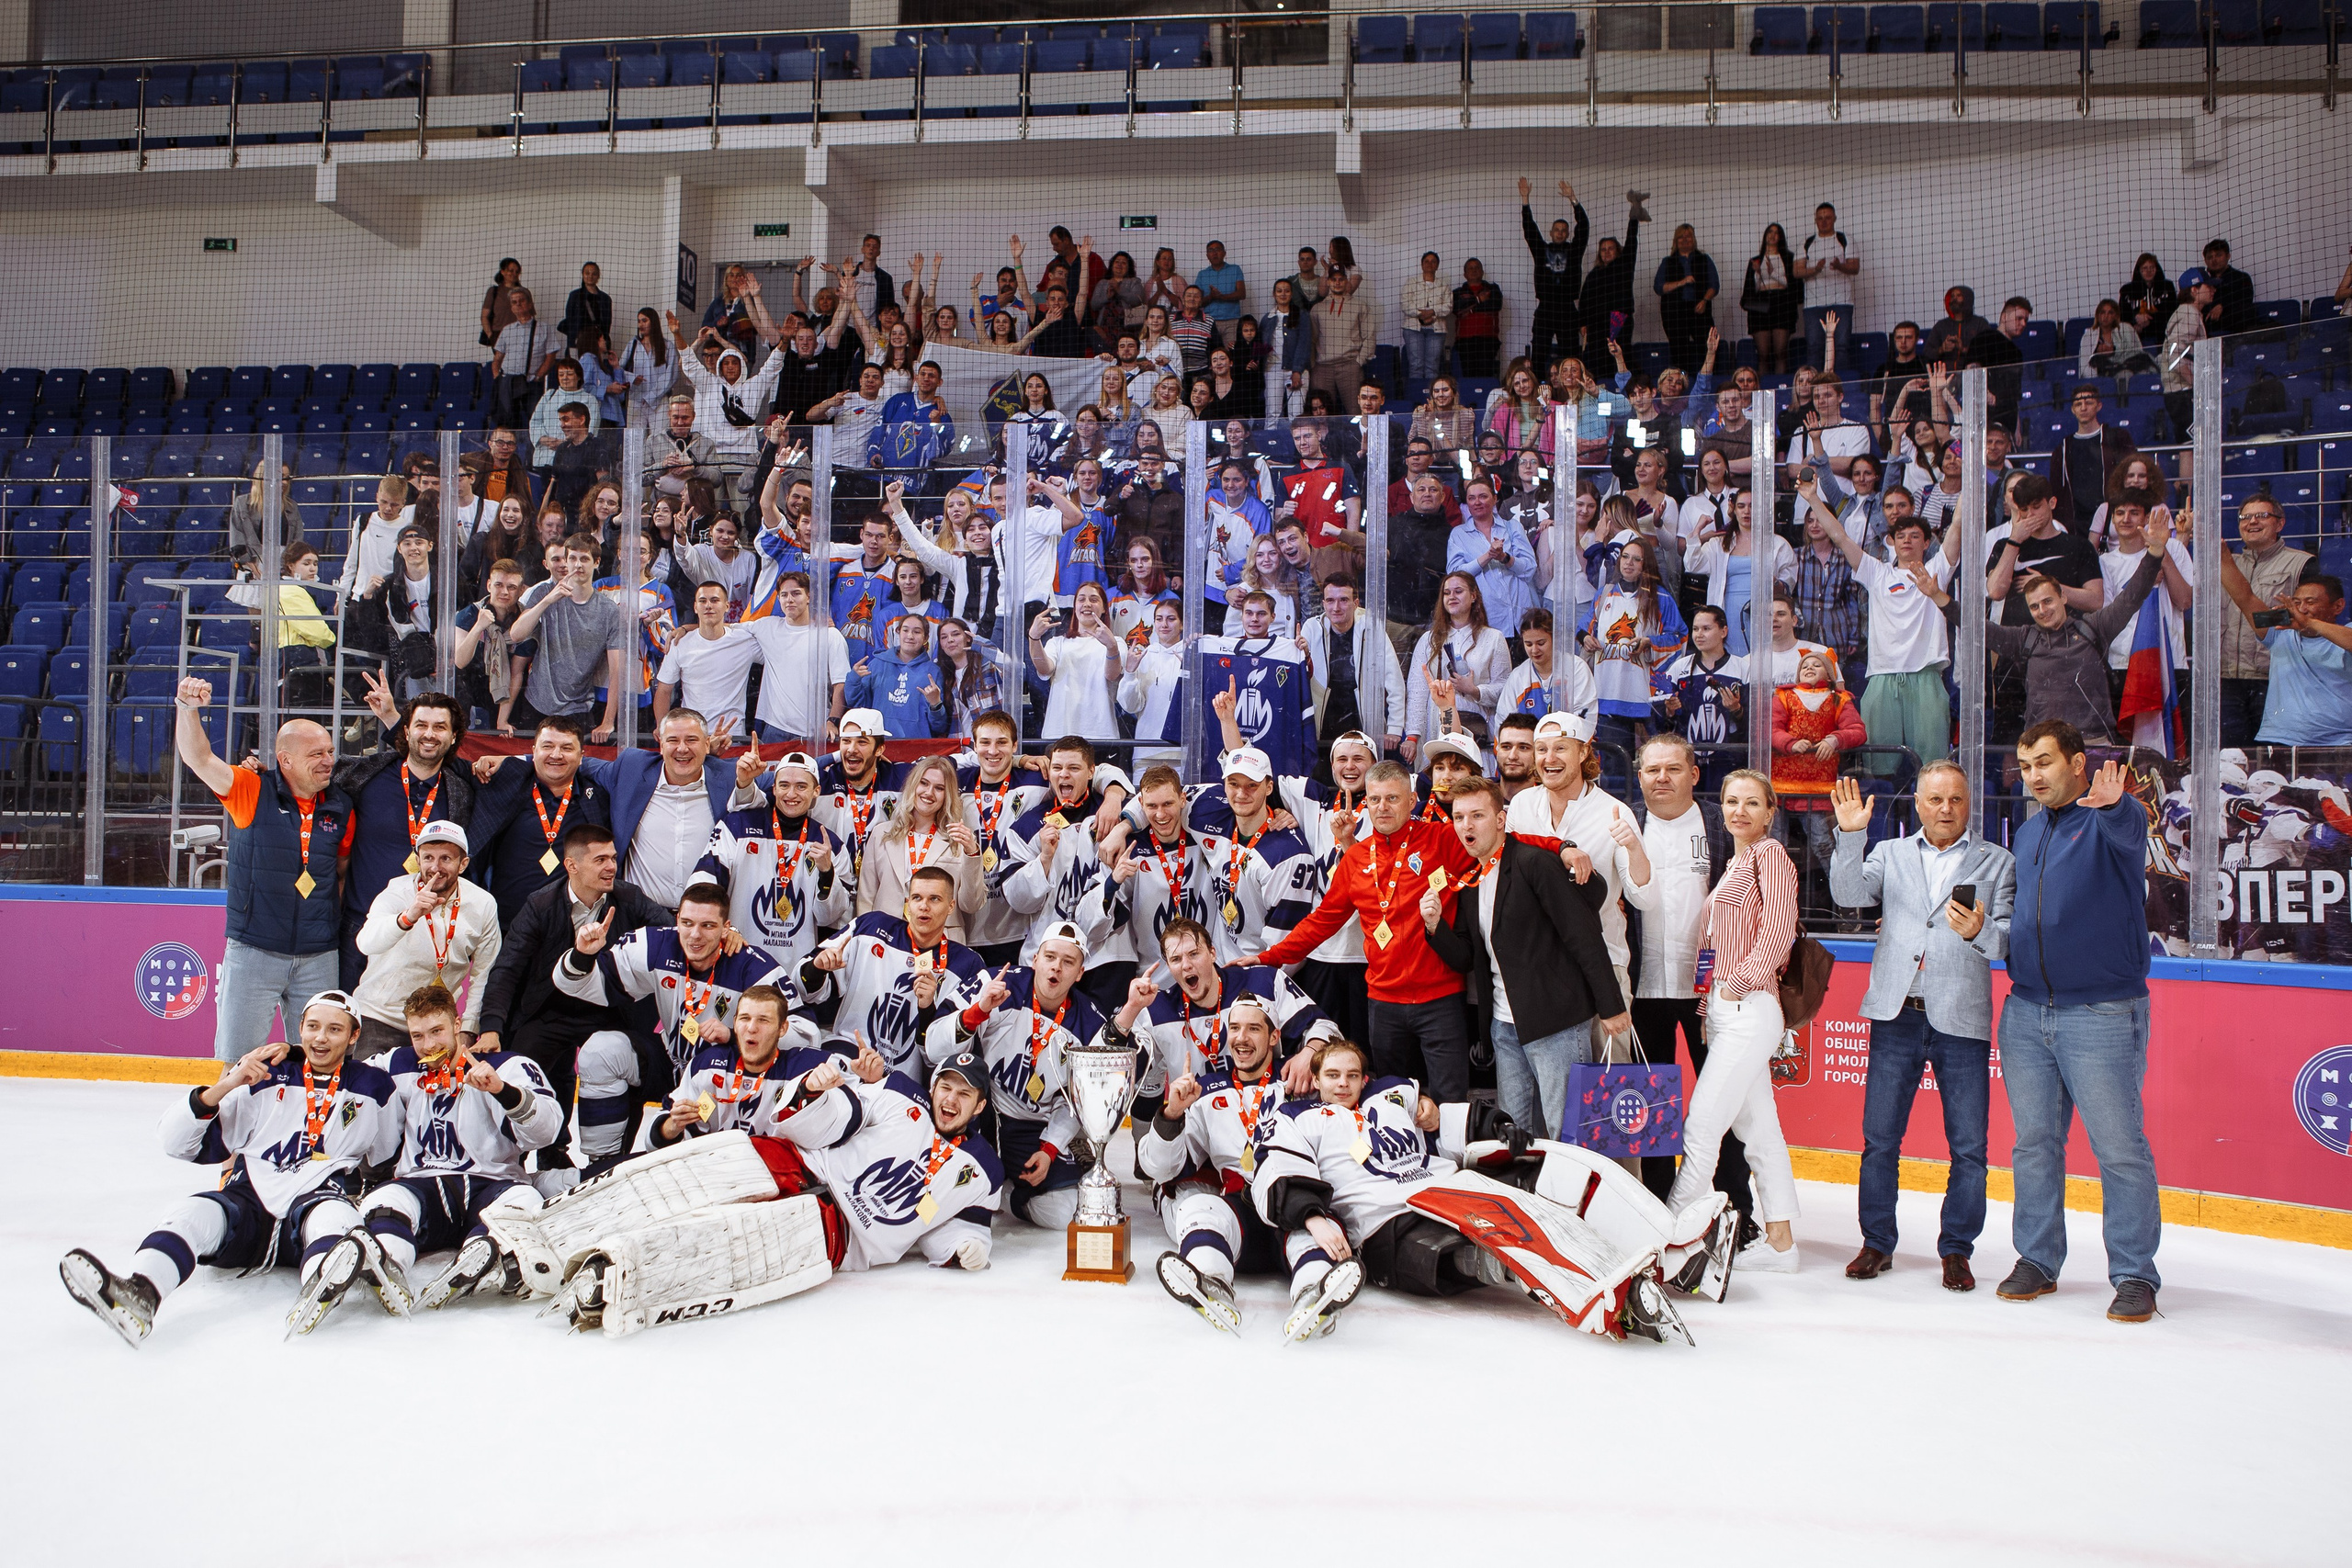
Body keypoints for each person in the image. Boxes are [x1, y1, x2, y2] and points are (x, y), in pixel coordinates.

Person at [58, 990, 402, 1345]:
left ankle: (319, 1287)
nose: (321, 1038)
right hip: (247, 1206)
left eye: (335, 1029)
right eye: (313, 1027)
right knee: (190, 1212)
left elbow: (386, 1152)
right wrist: (228, 1082)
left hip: (316, 1204)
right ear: (299, 1027)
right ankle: (139, 1294)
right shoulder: (265, 1075)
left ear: (354, 1035)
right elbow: (175, 1142)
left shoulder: (373, 1085)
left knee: (335, 1218)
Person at [1826, 767, 2015, 1289]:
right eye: (1935, 799)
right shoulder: (1890, 853)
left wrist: (1981, 930)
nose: (1946, 808)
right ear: (1918, 803)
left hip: (1961, 1018)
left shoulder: (1998, 861)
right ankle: (1876, 1243)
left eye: (1956, 798)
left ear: (1969, 802)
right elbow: (1848, 894)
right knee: (1880, 1140)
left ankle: (1956, 1251)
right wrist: (1851, 836)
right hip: (1897, 1015)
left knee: (1969, 1147)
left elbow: (2006, 940)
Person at [1997, 724, 2161, 1323]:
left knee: (2119, 1148)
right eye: (2025, 765)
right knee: (2033, 1145)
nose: (2034, 775)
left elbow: (2130, 832)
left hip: (2101, 1012)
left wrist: (2116, 806)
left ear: (2077, 762)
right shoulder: (2030, 830)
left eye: (2044, 762)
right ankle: (2037, 1258)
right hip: (2026, 1010)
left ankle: (2135, 1273)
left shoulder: (2113, 818)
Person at [1249, 761, 1479, 1101]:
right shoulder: (1356, 857)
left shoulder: (1442, 839)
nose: (1382, 807)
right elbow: (1322, 921)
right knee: (1391, 1100)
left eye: (1392, 799)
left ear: (1412, 801)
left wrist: (1557, 848)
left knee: (1451, 1102)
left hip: (1440, 1000)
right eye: (1375, 799)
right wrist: (1266, 958)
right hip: (1384, 1003)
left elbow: (1499, 845)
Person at [1425, 774, 1624, 1142]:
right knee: (1516, 1134)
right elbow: (1467, 958)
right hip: (1504, 1025)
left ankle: (1576, 1184)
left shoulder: (1535, 863)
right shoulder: (1471, 881)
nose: (1466, 826)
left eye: (1477, 816)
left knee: (1568, 1133)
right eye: (1459, 817)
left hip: (1556, 1021)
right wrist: (1435, 927)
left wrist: (1611, 1006)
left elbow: (1583, 936)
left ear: (1501, 819)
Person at [470, 822, 668, 1177]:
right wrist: (491, 1028)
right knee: (519, 1063)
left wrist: (725, 931)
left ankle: (611, 1161)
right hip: (551, 1009)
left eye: (613, 858)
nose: (611, 866)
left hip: (610, 1011)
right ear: (572, 866)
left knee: (624, 1063)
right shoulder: (540, 904)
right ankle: (526, 1158)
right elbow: (507, 969)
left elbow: (673, 932)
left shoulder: (629, 897)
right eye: (600, 860)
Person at [553, 883, 793, 1168]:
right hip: (671, 1061)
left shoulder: (754, 968)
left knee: (695, 1159)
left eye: (707, 925)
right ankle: (602, 1164)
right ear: (677, 919)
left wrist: (734, 1036)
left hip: (723, 1077)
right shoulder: (658, 945)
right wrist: (583, 954)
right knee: (601, 1050)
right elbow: (578, 985)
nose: (695, 935)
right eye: (687, 923)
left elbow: (804, 1032)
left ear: (726, 928)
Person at [356, 980, 565, 1311]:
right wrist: (293, 1055)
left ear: (457, 1025)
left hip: (491, 1184)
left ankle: (480, 1254)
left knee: (525, 1200)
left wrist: (502, 1090)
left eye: (436, 1031)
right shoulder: (398, 1064)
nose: (428, 1045)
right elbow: (344, 1075)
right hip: (423, 1186)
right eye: (417, 1035)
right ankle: (388, 1263)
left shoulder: (506, 1066)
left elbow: (548, 1129)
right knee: (383, 1200)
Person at [1250, 1037, 1475, 1342]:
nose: (1343, 1083)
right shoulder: (1298, 1118)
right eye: (1333, 1075)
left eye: (1352, 1075)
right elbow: (1279, 1166)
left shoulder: (1391, 1097)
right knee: (1450, 1256)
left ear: (1363, 1079)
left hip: (1444, 1193)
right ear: (1315, 1080)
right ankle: (1312, 1291)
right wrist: (1312, 1217)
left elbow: (1440, 1126)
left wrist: (1453, 1116)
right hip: (1385, 1221)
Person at [1668, 769, 1802, 1273]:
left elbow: (1779, 931)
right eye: (1731, 801)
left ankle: (1667, 1234)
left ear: (1770, 812)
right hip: (1727, 1011)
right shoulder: (1735, 863)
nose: (1739, 811)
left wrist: (1736, 985)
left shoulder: (1771, 856)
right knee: (1759, 1132)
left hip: (1749, 1007)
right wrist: (1709, 1007)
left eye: (1752, 802)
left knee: (1703, 1127)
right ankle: (1782, 1244)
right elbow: (1712, 947)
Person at [922, 921, 1107, 1234]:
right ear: (1034, 959)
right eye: (1050, 957)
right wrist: (978, 1011)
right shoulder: (995, 982)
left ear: (1080, 973)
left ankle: (1004, 1194)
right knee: (946, 1190)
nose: (1056, 967)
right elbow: (934, 1048)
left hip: (1029, 1125)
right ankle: (961, 1193)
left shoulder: (1090, 1023)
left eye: (1068, 962)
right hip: (972, 1112)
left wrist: (1050, 1148)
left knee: (1070, 1213)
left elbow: (1074, 1101)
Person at [1964, 525, 2169, 745]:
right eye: (2034, 606)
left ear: (2063, 597)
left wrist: (2154, 554)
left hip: (2092, 743)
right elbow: (1978, 629)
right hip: (2042, 746)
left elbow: (2130, 598)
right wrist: (1942, 599)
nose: (2043, 610)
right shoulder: (2024, 638)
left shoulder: (2094, 627)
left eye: (2048, 601)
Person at [801, 864, 988, 1077]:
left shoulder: (968, 965)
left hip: (904, 1079)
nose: (924, 906)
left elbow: (945, 1053)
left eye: (934, 899)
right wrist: (817, 968)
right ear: (908, 903)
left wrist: (928, 1008)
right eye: (917, 898)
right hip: (849, 1056)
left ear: (951, 906)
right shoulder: (871, 927)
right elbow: (805, 989)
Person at [348, 819, 501, 1059]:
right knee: (372, 1083)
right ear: (418, 860)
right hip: (381, 1018)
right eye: (428, 857)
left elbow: (484, 972)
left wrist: (469, 1028)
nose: (435, 867)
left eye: (446, 859)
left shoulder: (483, 904)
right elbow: (365, 943)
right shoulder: (396, 892)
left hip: (438, 1026)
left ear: (463, 864)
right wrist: (407, 917)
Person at [692, 747, 853, 971]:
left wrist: (827, 873)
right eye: (784, 785)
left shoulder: (830, 845)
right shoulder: (737, 826)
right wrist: (725, 929)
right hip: (738, 958)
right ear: (774, 788)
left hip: (795, 968)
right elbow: (704, 885)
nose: (791, 794)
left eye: (801, 786)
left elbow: (829, 918)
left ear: (816, 791)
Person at [2218, 558, 2352, 745]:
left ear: (2338, 606)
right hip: (2280, 740)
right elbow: (2245, 598)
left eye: (2310, 602)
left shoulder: (2346, 632)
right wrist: (2222, 553)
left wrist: (2309, 623)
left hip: (2339, 741)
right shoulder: (2280, 630)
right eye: (2296, 603)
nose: (2302, 609)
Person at [2217, 493, 2315, 746]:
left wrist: (2263, 616)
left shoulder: (2301, 562)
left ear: (2280, 523)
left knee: (2271, 757)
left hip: (2275, 676)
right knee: (2229, 757)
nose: (2252, 522)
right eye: (2245, 517)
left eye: (2261, 515)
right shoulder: (2224, 563)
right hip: (2226, 676)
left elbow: (2307, 618)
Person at [508, 535, 626, 740]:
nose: (577, 565)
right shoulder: (544, 592)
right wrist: (547, 600)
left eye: (584, 559)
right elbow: (516, 634)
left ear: (597, 562)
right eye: (572, 558)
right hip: (536, 702)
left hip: (579, 707)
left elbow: (618, 671)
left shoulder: (609, 611)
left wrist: (608, 721)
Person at [859, 754, 985, 942]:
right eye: (924, 783)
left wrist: (971, 853)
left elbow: (971, 905)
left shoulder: (960, 839)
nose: (929, 792)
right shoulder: (881, 833)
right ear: (913, 785)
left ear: (948, 795)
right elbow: (866, 897)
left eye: (939, 788)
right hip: (885, 938)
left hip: (942, 940)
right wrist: (865, 938)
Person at [655, 581, 761, 736]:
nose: (708, 606)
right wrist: (661, 726)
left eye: (715, 600)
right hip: (692, 734)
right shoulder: (679, 643)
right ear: (695, 607)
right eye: (703, 601)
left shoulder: (745, 642)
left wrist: (686, 627)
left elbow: (778, 655)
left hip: (731, 735)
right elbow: (664, 690)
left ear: (727, 606)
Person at [1520, 175, 1589, 376]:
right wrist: (1525, 200)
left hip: (1567, 309)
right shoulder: (1541, 250)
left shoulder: (1574, 251)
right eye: (1557, 230)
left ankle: (1572, 388)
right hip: (1545, 308)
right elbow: (1529, 229)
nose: (1560, 233)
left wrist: (1573, 199)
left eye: (1564, 230)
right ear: (1551, 233)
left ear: (1568, 234)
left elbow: (1584, 227)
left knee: (1571, 356)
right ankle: (1538, 388)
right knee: (1539, 355)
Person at [1497, 606, 1599, 723]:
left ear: (1555, 639)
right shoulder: (1517, 677)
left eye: (1541, 643)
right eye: (1529, 644)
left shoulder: (1577, 668)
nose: (1534, 650)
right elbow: (1504, 721)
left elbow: (1585, 716)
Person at [1794, 203, 1858, 372]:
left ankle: (1840, 382)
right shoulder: (1807, 242)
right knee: (1814, 347)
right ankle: (1815, 384)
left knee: (1842, 346)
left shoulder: (1844, 239)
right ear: (1815, 220)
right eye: (1820, 218)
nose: (1824, 222)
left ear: (1834, 219)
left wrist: (1839, 266)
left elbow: (1855, 267)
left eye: (1827, 218)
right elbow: (1796, 271)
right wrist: (1816, 269)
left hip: (1842, 302)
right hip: (1813, 304)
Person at [1652, 224, 1719, 377]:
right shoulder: (1667, 262)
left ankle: (1706, 379)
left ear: (1693, 239)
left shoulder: (1704, 259)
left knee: (1706, 347)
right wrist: (1682, 282)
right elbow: (1659, 287)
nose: (1685, 240)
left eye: (1688, 236)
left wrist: (1704, 300)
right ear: (1676, 241)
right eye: (1681, 237)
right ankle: (1681, 380)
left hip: (1700, 310)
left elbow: (1714, 285)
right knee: (1679, 350)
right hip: (1675, 313)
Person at [1740, 223, 1800, 374]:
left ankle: (1780, 385)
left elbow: (1793, 285)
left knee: (1781, 353)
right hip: (1760, 307)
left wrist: (1773, 273)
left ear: (1781, 237)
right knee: (1763, 355)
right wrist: (1757, 273)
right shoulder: (1756, 260)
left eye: (1776, 233)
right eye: (1770, 232)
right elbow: (1750, 290)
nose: (1773, 235)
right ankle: (1763, 387)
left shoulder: (1789, 258)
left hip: (1782, 305)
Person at [1452, 255, 1504, 379]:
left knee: (1486, 376)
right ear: (1465, 274)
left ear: (1482, 272)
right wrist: (1479, 300)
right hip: (1465, 341)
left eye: (1477, 268)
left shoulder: (1493, 289)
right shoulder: (1457, 292)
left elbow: (1495, 305)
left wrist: (1469, 308)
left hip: (1488, 340)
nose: (1474, 270)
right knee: (1468, 377)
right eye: (1470, 268)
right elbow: (1456, 309)